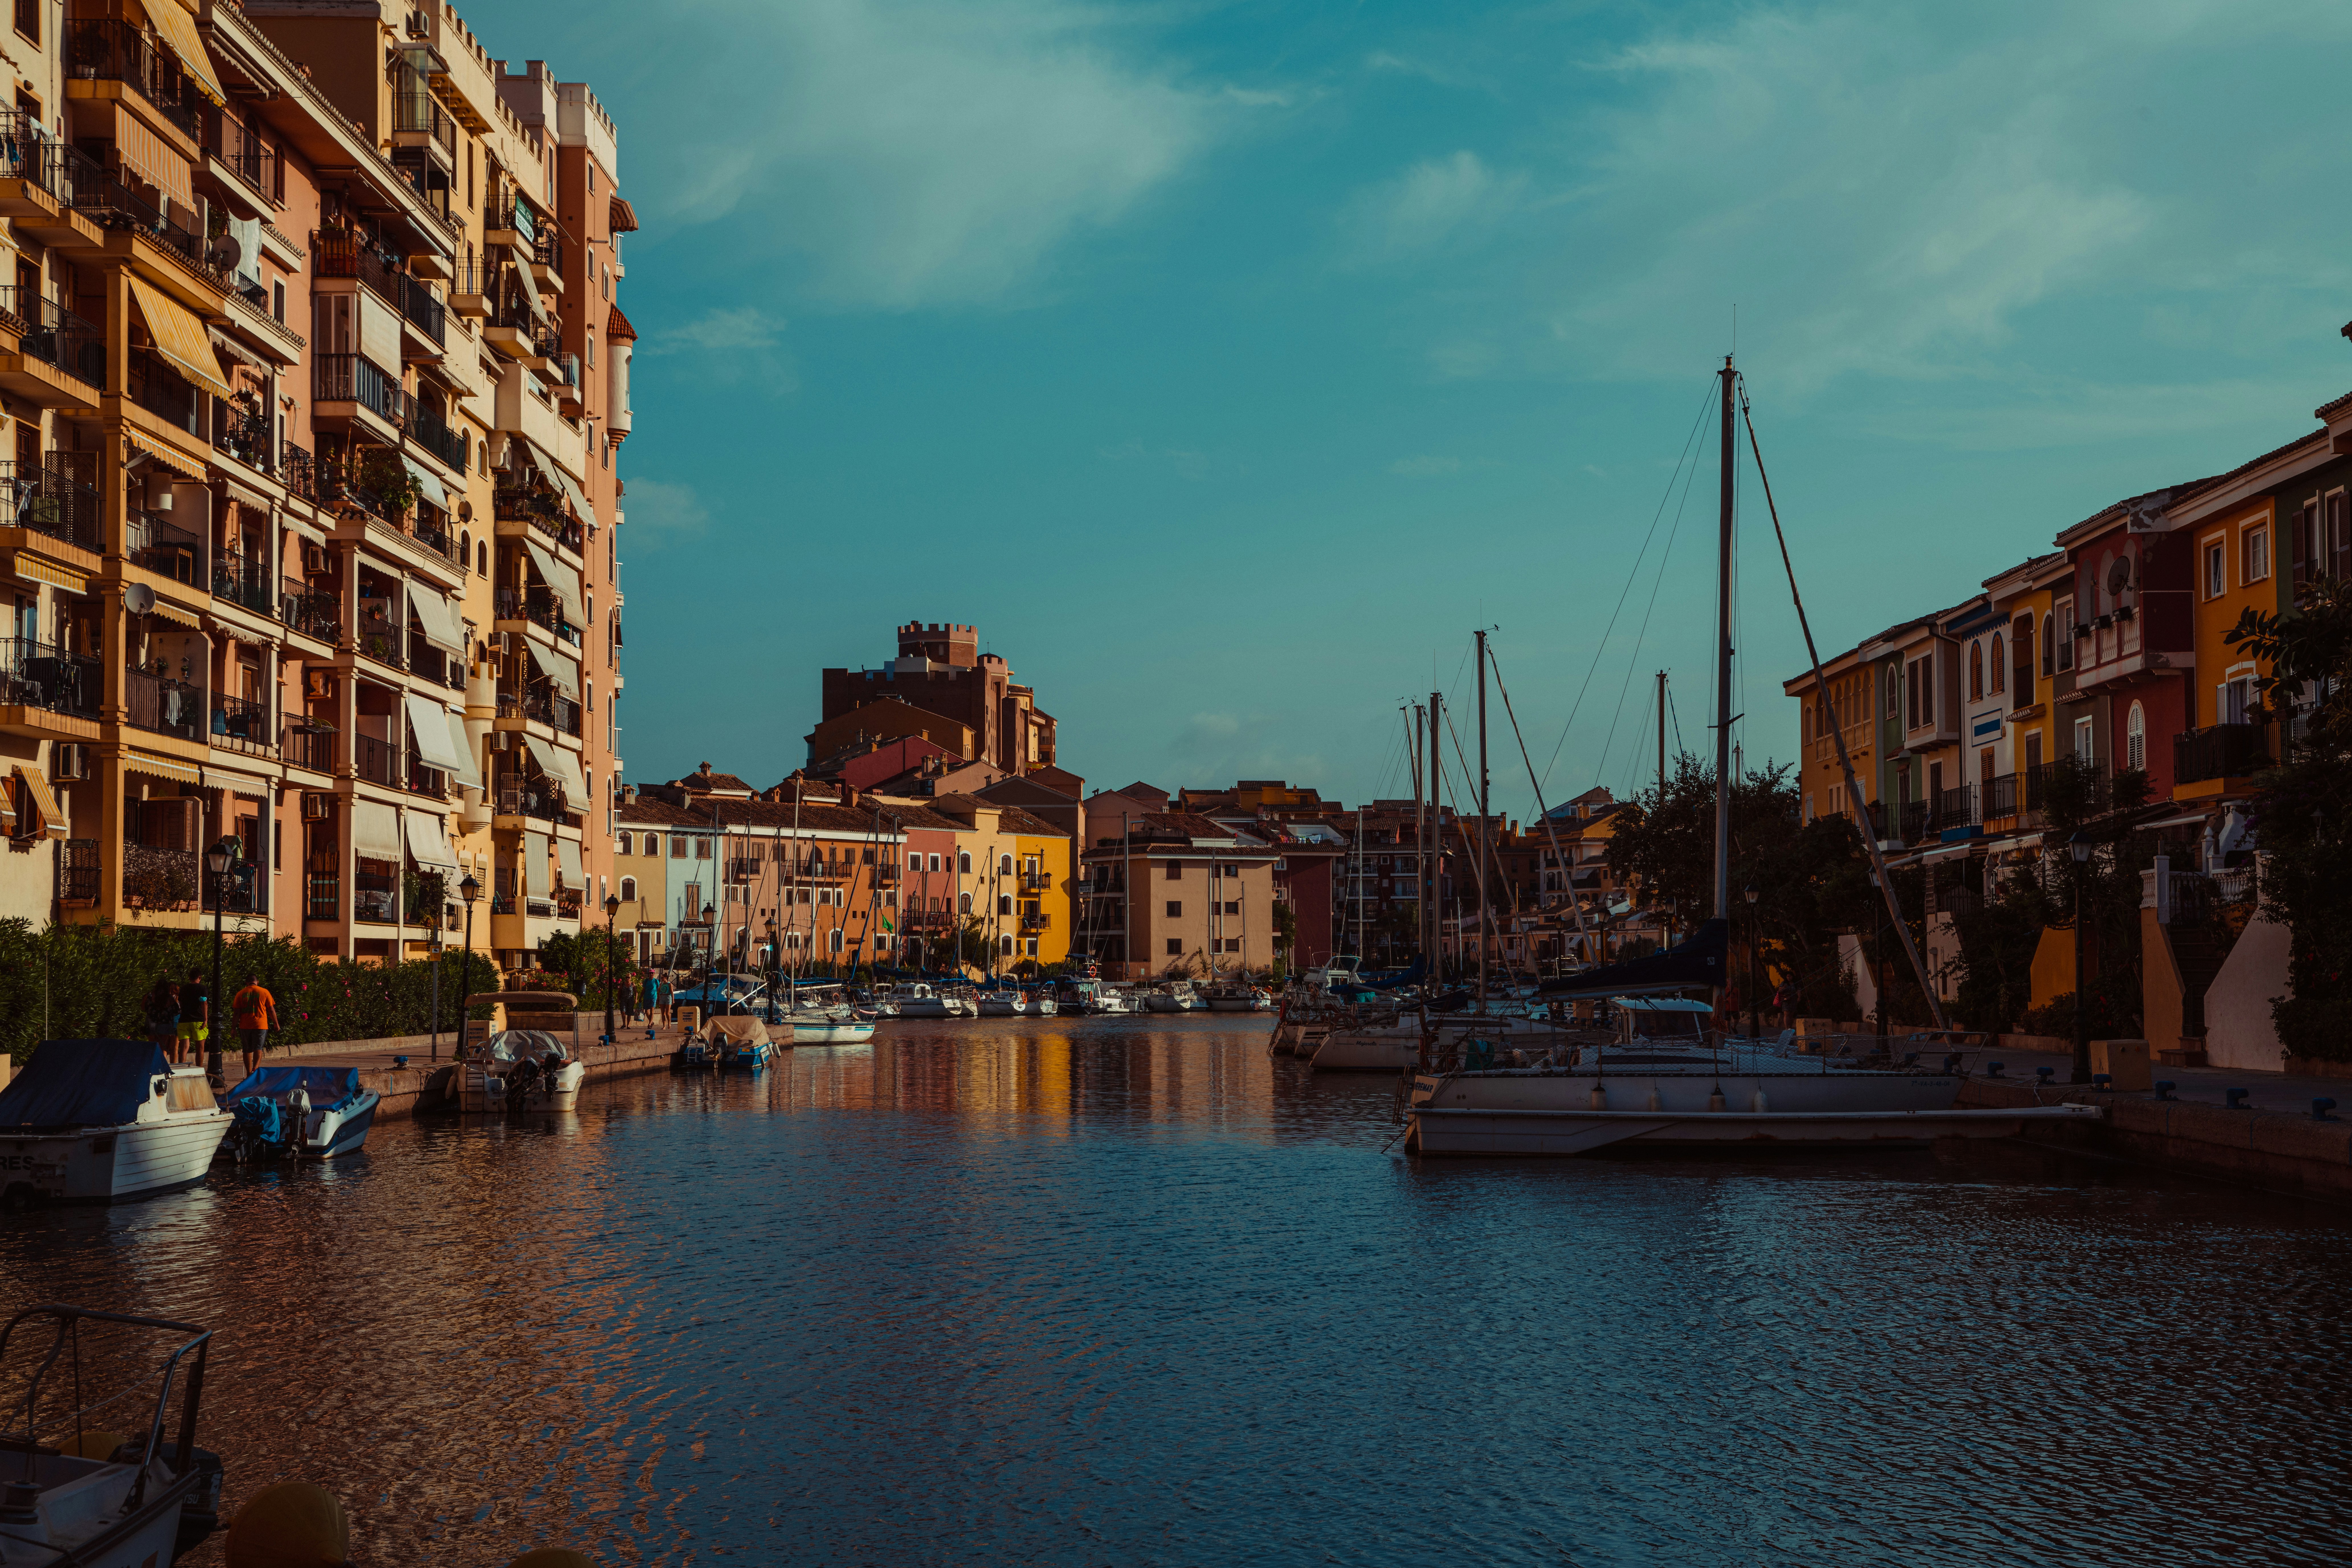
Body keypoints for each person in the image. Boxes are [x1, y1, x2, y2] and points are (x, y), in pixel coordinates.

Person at [231, 977, 279, 1078]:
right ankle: (255, 1070)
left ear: (246, 982)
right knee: (259, 1048)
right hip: (261, 1025)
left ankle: (248, 1073)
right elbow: (271, 1009)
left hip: (245, 1025)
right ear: (257, 982)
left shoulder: (241, 993)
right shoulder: (264, 992)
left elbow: (237, 1013)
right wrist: (276, 1024)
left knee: (247, 1049)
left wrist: (233, 1028)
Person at [177, 967, 208, 1067]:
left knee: (184, 1047)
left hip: (184, 1021)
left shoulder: (183, 988)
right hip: (198, 1020)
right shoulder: (202, 988)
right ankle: (199, 1068)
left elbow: (180, 1002)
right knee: (200, 1048)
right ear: (200, 977)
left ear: (189, 978)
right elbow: (204, 1003)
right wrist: (206, 1018)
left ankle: (181, 1068)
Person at [143, 977, 179, 1062]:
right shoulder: (168, 998)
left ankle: (153, 1063)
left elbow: (143, 1008)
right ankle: (161, 1064)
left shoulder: (149, 996)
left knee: (153, 1045)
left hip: (151, 1022)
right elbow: (176, 1010)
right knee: (162, 1046)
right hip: (165, 1023)